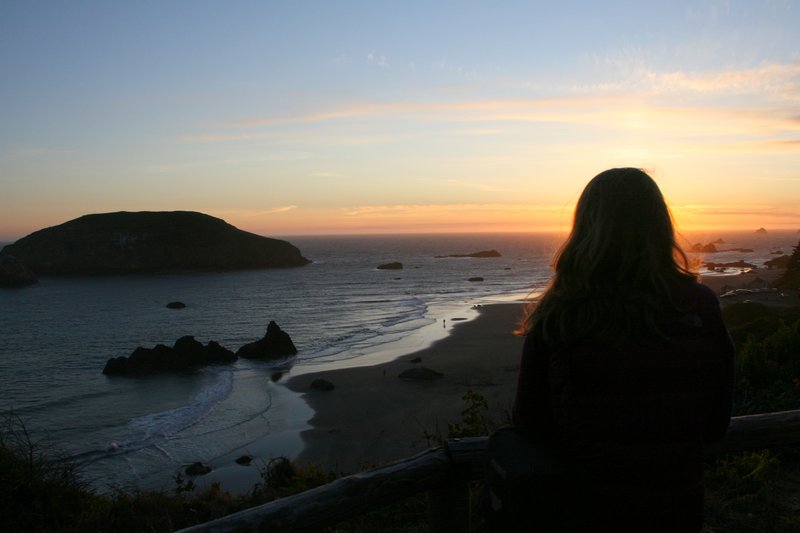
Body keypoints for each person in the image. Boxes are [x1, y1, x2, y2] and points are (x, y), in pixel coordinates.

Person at [510, 168, 734, 531]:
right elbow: (715, 425)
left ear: (585, 228)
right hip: (676, 509)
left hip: (585, 512)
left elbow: (531, 426)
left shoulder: (563, 314)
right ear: (660, 225)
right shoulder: (698, 306)